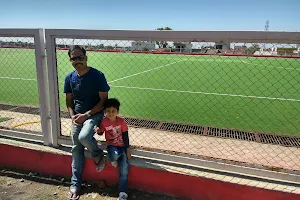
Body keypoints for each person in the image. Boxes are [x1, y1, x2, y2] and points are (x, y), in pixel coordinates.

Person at [64, 45, 110, 200]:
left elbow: (104, 101)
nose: (77, 61)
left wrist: (86, 115)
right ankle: (75, 184)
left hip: (94, 114)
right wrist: (72, 116)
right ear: (70, 60)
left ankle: (98, 154)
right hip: (78, 117)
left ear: (86, 57)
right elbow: (69, 102)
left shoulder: (97, 75)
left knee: (84, 137)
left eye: (80, 57)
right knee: (76, 147)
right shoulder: (69, 78)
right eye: (74, 58)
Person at [95, 98, 131, 200]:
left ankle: (123, 193)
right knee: (114, 154)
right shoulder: (104, 122)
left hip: (122, 147)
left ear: (117, 112)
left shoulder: (121, 121)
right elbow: (101, 132)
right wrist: (97, 130)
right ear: (105, 112)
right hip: (112, 146)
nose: (111, 113)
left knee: (124, 170)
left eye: (113, 111)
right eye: (108, 111)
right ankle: (112, 159)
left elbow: (125, 136)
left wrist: (128, 149)